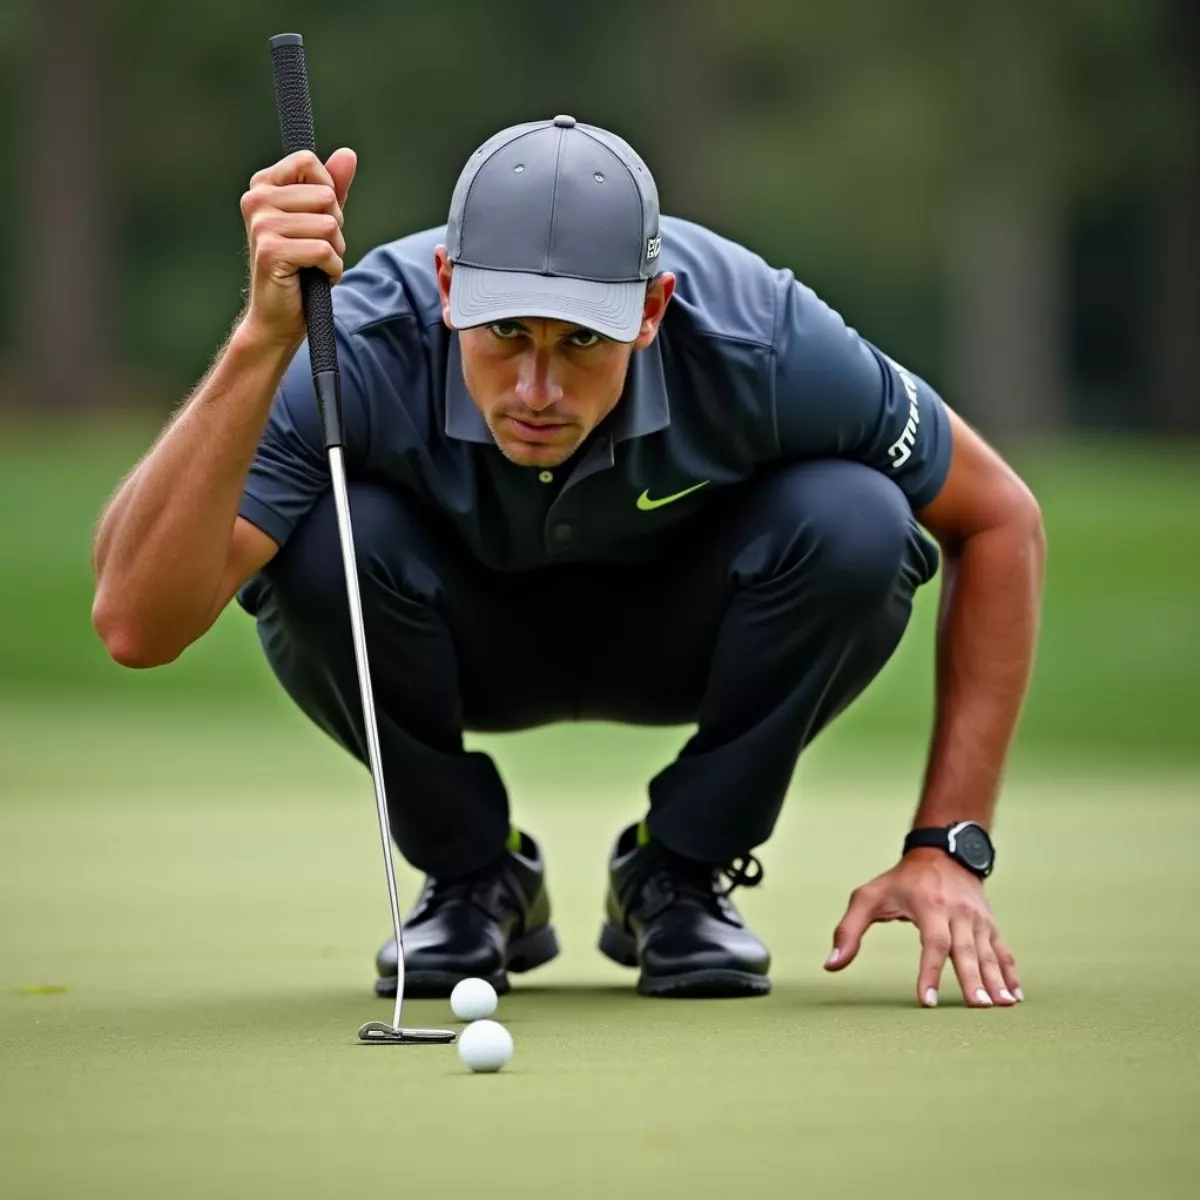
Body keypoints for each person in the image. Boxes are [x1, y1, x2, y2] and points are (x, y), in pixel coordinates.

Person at [91, 116, 1045, 1008]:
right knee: (321, 541)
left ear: (653, 308)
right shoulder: (361, 341)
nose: (537, 389)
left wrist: (947, 849)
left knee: (863, 523)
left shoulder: (763, 334)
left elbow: (1001, 519)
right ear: (449, 286)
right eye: (506, 333)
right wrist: (263, 340)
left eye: (582, 340)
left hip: (684, 636)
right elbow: (137, 624)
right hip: (454, 642)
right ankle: (474, 873)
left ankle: (678, 870)